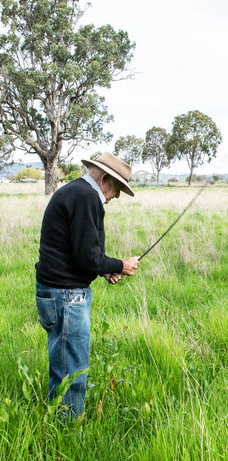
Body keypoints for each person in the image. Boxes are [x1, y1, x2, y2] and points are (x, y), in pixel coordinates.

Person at [35, 152, 139, 419]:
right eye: (117, 189)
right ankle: (66, 430)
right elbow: (87, 256)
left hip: (56, 293)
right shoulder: (86, 197)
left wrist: (105, 271)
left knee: (63, 367)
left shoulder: (76, 192)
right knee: (73, 373)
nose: (115, 197)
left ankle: (56, 422)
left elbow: (79, 253)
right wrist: (119, 265)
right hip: (66, 297)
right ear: (104, 178)